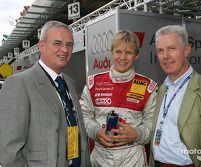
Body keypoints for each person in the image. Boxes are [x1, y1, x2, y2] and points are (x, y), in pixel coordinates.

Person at [0, 20, 91, 167]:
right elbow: (9, 152)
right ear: (41, 46)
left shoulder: (69, 82)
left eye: (69, 44)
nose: (65, 50)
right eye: (57, 43)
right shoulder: (18, 84)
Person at [150, 25, 201, 167]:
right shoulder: (162, 89)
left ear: (186, 50)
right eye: (160, 50)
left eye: (172, 48)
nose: (165, 56)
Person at [79, 30, 157, 167]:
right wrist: (96, 131)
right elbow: (83, 116)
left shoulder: (147, 87)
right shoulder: (94, 83)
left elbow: (153, 125)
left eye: (129, 53)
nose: (123, 57)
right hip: (100, 159)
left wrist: (137, 134)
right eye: (118, 51)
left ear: (136, 55)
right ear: (111, 52)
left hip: (133, 159)